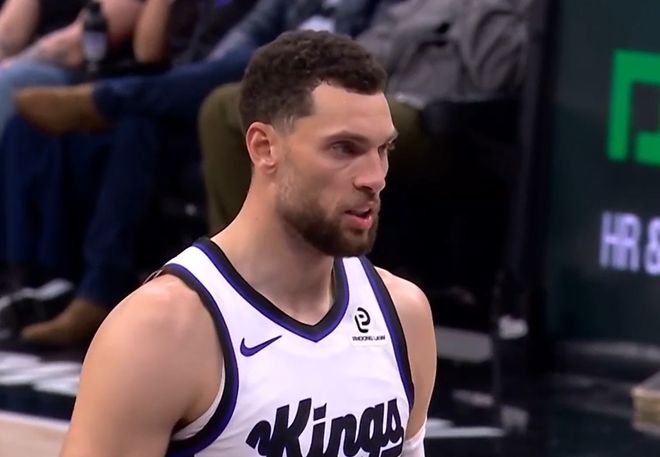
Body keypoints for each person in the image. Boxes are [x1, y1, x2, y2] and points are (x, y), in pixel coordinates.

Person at [59, 30, 436, 457]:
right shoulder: (160, 331)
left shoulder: (403, 314)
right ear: (264, 147)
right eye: (344, 148)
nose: (374, 177)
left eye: (383, 149)